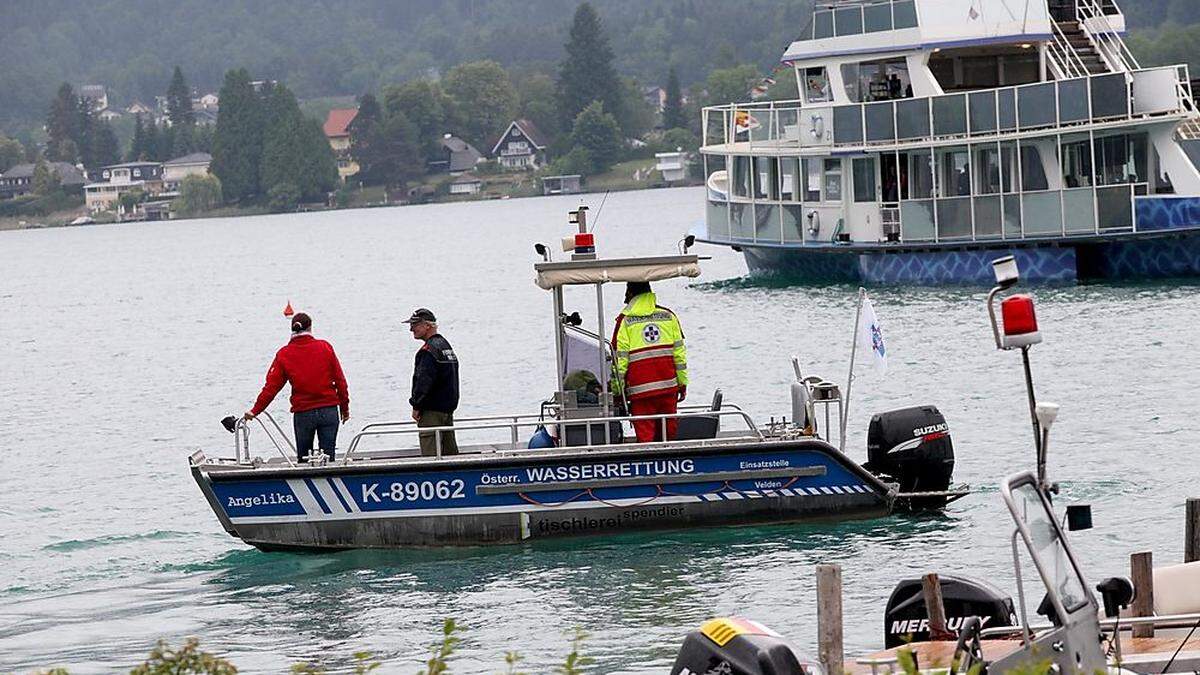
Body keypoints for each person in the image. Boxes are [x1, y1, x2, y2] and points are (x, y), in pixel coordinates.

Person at [245, 312, 350, 462]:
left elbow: (271, 388)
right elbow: (340, 381)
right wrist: (344, 408)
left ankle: (304, 482)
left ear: (292, 329)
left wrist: (255, 411)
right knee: (328, 457)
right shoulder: (325, 347)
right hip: (329, 410)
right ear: (311, 327)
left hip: (304, 414)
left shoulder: (284, 354)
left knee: (304, 460)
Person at [610, 281, 688, 443]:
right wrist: (682, 384)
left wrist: (617, 391)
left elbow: (620, 362)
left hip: (640, 393)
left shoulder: (625, 322)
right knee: (669, 436)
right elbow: (679, 356)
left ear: (630, 294)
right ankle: (672, 465)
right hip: (668, 388)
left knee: (646, 439)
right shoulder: (669, 316)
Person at [405, 308, 459, 456]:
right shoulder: (446, 347)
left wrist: (416, 405)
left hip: (431, 412)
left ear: (427, 325)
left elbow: (423, 381)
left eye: (415, 325)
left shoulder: (428, 351)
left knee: (431, 455)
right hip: (447, 410)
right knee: (450, 453)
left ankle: (434, 478)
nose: (411, 329)